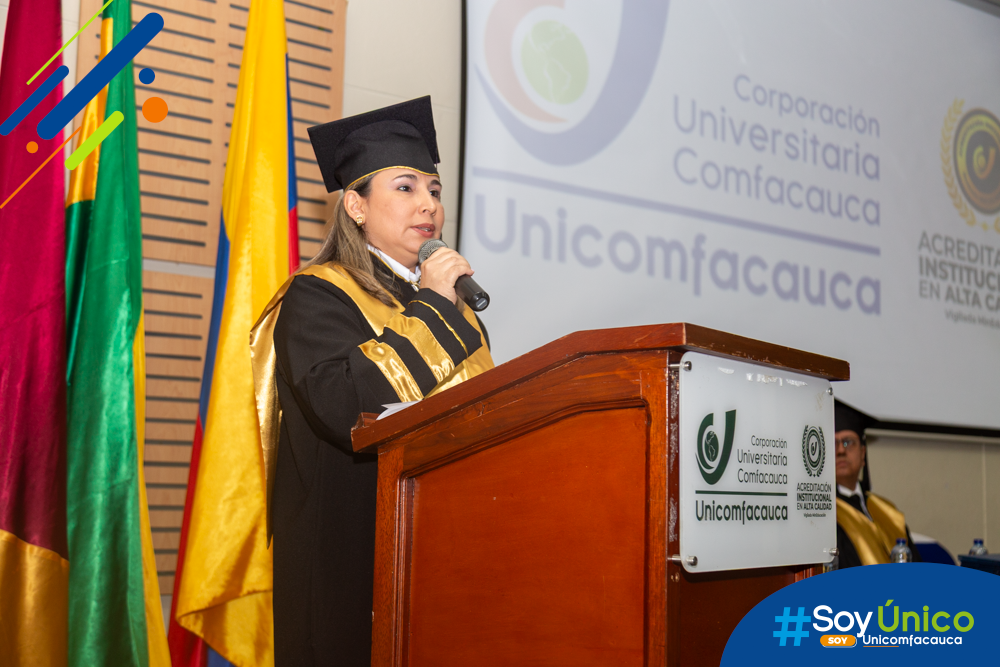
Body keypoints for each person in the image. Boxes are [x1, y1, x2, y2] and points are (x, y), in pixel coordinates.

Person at [250, 96, 495, 665]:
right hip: (350, 560)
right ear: (356, 206)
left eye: (434, 190)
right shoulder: (318, 294)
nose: (429, 204)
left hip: (448, 551)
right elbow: (344, 408)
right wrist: (436, 305)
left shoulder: (452, 307)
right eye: (406, 187)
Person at [834, 400, 921, 568]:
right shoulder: (824, 514)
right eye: (833, 443)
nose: (841, 450)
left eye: (848, 442)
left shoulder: (888, 511)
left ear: (863, 453)